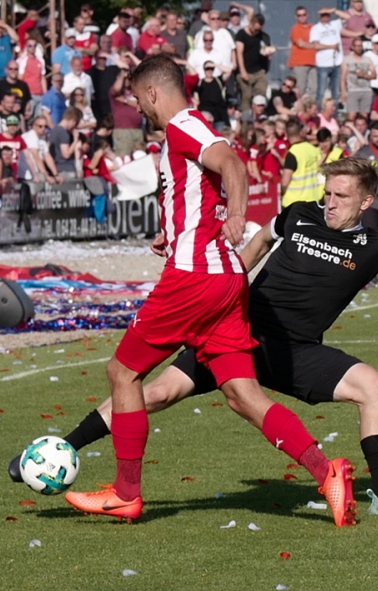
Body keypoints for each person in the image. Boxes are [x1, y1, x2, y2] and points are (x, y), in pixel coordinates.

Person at [10, 158, 378, 513]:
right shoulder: (299, 216)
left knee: (375, 385)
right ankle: (60, 448)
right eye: (327, 193)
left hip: (295, 351)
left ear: (366, 201)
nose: (330, 203)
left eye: (342, 196)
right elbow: (256, 244)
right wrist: (225, 280)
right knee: (156, 391)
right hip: (236, 333)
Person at [60, 56, 356, 527]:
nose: (139, 109)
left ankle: (125, 492)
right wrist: (173, 231)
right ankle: (327, 472)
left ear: (153, 92)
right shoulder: (184, 132)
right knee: (243, 395)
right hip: (223, 278)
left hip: (194, 277)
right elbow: (201, 191)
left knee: (122, 372)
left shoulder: (183, 125)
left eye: (138, 99)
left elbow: (230, 163)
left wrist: (237, 214)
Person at [235, 12, 272, 111]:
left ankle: (259, 115)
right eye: (255, 29)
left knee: (261, 93)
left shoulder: (261, 36)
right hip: (245, 70)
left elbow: (263, 48)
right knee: (247, 95)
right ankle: (246, 116)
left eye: (259, 30)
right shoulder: (241, 34)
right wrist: (242, 71)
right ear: (251, 24)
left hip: (258, 71)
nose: (256, 32)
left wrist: (267, 53)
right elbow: (239, 53)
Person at [280, 118, 322, 207]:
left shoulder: (292, 153)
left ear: (286, 134)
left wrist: (282, 192)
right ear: (301, 133)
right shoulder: (313, 149)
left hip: (294, 203)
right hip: (312, 200)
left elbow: (284, 183)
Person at [309, 8, 343, 111]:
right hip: (323, 63)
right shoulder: (316, 28)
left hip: (336, 62)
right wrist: (331, 46)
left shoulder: (334, 24)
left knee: (335, 93)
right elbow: (315, 45)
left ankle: (334, 114)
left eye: (327, 15)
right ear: (319, 16)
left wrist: (333, 10)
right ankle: (318, 113)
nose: (325, 17)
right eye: (323, 15)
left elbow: (347, 17)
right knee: (321, 92)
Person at [341, 37, 374, 120]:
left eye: (360, 46)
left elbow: (374, 75)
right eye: (357, 46)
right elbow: (343, 78)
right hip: (353, 90)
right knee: (352, 115)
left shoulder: (367, 59)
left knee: (364, 116)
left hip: (366, 90)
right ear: (353, 47)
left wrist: (364, 76)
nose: (359, 48)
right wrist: (343, 93)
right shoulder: (347, 60)